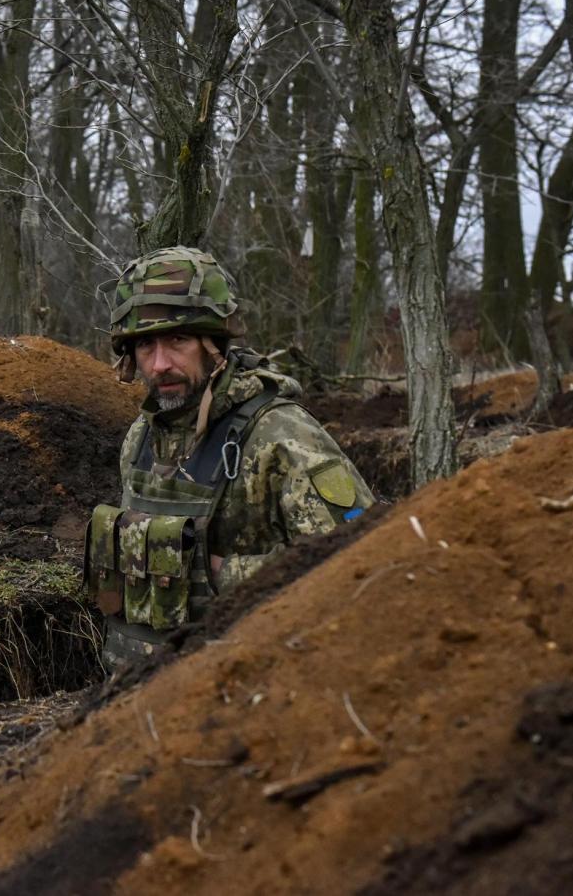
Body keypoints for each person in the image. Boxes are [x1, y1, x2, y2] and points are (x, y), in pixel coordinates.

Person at [85, 246, 376, 667]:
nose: (160, 363)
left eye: (178, 339)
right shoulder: (141, 438)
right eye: (146, 345)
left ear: (213, 344)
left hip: (241, 691)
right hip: (133, 698)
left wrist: (219, 574)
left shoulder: (280, 436)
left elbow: (357, 560)